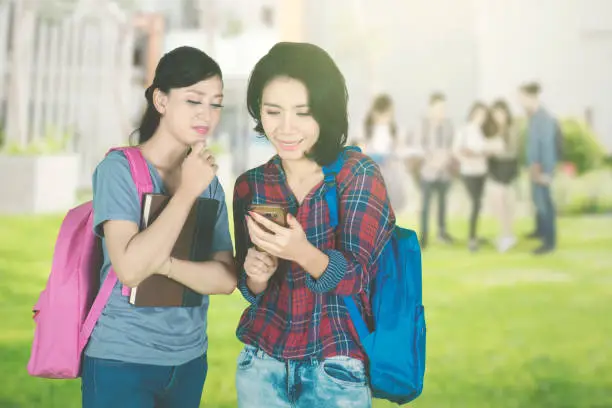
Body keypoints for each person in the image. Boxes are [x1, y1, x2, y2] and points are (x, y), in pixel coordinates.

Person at [232, 42, 395, 408]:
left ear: (326, 112)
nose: (285, 128)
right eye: (272, 111)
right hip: (261, 365)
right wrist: (256, 275)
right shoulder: (251, 185)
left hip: (335, 369)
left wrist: (301, 252)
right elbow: (250, 285)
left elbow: (358, 277)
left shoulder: (357, 174)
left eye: (303, 113)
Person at [82, 46, 237, 408]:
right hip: (121, 359)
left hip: (188, 359)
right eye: (194, 101)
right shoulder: (119, 170)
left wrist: (164, 264)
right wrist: (186, 192)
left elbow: (226, 278)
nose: (207, 114)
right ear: (161, 101)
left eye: (216, 103)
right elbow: (132, 269)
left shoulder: (208, 180)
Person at [518, 82, 558, 255]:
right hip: (534, 168)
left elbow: (548, 146)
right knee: (537, 200)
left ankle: (549, 242)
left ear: (531, 97)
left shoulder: (544, 118)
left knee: (544, 203)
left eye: (522, 97)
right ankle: (540, 231)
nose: (520, 101)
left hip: (542, 169)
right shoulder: (533, 117)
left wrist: (547, 172)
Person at [453, 102, 498, 252]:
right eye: (479, 114)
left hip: (481, 171)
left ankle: (474, 235)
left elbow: (485, 148)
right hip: (469, 172)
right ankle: (472, 239)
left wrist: (486, 152)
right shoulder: (464, 130)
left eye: (484, 115)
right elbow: (456, 150)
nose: (481, 118)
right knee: (475, 203)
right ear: (472, 113)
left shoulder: (481, 131)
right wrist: (467, 158)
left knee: (478, 205)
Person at [414, 92, 456, 248]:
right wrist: (432, 160)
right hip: (428, 171)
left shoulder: (448, 125)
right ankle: (423, 237)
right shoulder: (424, 125)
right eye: (438, 108)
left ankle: (442, 232)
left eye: (443, 108)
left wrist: (444, 159)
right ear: (431, 108)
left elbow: (451, 145)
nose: (441, 111)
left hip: (444, 171)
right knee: (425, 205)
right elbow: (420, 146)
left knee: (443, 204)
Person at [361, 94, 406, 211]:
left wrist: (394, 154)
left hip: (389, 172)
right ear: (376, 113)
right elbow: (361, 149)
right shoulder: (367, 129)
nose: (388, 117)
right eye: (386, 113)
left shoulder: (393, 130)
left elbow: (398, 149)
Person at [488, 99, 520, 252]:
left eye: (501, 113)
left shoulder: (512, 129)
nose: (498, 116)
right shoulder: (491, 130)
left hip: (508, 169)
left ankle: (508, 235)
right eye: (495, 113)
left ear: (506, 114)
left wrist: (498, 150)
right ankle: (504, 234)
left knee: (506, 201)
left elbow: (513, 151)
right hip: (495, 169)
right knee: (497, 202)